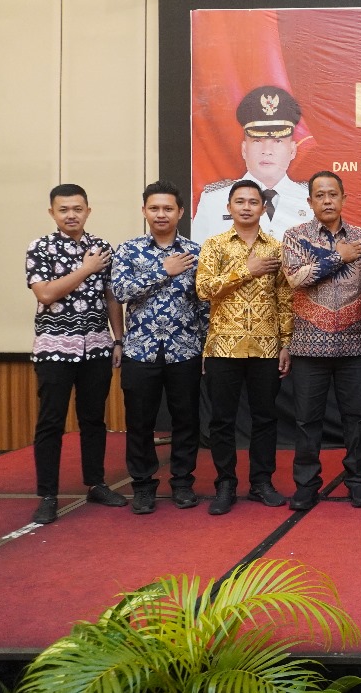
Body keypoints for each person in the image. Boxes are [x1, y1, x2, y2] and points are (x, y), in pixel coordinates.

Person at [281, 171, 361, 511]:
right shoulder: (295, 236)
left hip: (354, 344)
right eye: (320, 195)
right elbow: (295, 278)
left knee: (357, 417)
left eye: (333, 194)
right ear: (310, 201)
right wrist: (339, 256)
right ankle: (306, 485)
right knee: (307, 420)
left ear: (344, 199)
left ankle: (358, 481)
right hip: (308, 346)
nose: (327, 200)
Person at [25, 184, 127, 525]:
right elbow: (45, 294)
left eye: (77, 209)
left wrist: (118, 339)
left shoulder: (102, 247)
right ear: (52, 212)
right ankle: (48, 495)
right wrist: (86, 268)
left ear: (88, 210)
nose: (71, 215)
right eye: (64, 209)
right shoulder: (40, 247)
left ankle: (96, 484)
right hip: (55, 347)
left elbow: (112, 297)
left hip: (97, 345)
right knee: (51, 421)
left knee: (94, 418)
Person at [110, 181, 209, 514]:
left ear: (180, 212)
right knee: (140, 422)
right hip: (141, 350)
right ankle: (142, 486)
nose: (161, 214)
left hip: (186, 349)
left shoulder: (196, 252)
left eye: (168, 208)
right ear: (144, 211)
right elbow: (120, 292)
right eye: (154, 208)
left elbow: (204, 303)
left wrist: (207, 347)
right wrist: (162, 270)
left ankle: (182, 483)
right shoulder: (128, 250)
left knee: (186, 420)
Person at [195, 179, 293, 515]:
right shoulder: (214, 245)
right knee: (222, 420)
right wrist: (245, 270)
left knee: (265, 418)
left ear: (263, 208)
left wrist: (286, 343)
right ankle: (225, 484)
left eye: (253, 202)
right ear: (229, 207)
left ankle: (262, 482)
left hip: (266, 347)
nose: (247, 207)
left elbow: (285, 298)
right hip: (223, 346)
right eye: (240, 201)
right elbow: (204, 289)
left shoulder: (276, 248)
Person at [190, 85, 313, 242]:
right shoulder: (214, 200)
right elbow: (198, 254)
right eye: (257, 141)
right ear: (244, 149)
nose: (267, 151)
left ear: (293, 150)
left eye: (277, 141)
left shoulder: (311, 200)